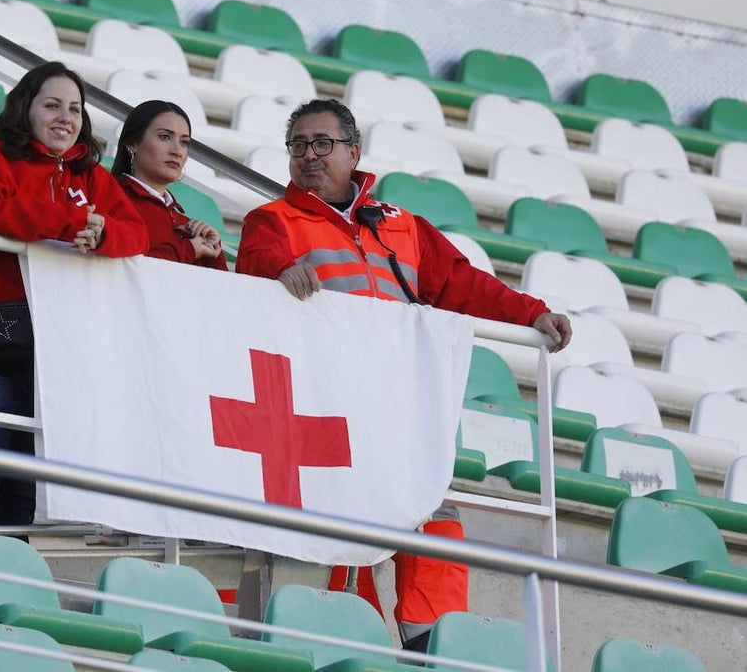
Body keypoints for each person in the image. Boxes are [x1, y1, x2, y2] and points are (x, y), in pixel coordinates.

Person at [236, 98, 571, 652]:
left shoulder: (403, 227)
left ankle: (436, 652)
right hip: (322, 416)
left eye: (322, 144)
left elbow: (463, 285)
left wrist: (531, 312)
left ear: (353, 151)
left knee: (439, 526)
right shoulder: (273, 221)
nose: (308, 156)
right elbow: (255, 263)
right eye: (298, 146)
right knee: (350, 546)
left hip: (399, 415)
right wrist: (280, 271)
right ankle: (351, 649)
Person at [0, 61, 149, 528]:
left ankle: (5, 586)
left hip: (58, 355)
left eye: (74, 109)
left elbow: (136, 233)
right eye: (52, 105)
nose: (65, 118)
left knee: (26, 488)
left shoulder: (91, 176)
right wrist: (68, 222)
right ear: (25, 109)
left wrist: (104, 233)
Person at [111, 100, 227, 270]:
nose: (177, 151)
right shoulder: (110, 200)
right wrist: (188, 250)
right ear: (132, 143)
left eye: (184, 142)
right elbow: (124, 269)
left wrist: (212, 252)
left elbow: (216, 292)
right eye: (164, 137)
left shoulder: (186, 224)